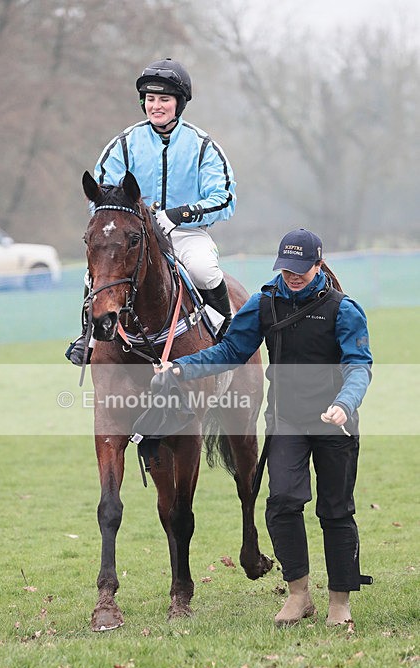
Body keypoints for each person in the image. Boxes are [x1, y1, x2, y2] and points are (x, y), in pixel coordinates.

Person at [156, 228, 373, 627]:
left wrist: (345, 403)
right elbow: (232, 350)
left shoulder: (344, 309)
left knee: (336, 511)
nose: (293, 276)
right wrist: (183, 368)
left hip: (334, 422)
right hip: (286, 418)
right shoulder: (265, 303)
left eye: (301, 269)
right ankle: (299, 594)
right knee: (282, 503)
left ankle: (339, 603)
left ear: (318, 265)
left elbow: (358, 366)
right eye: (287, 268)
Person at [66, 57, 236, 365]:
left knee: (203, 269)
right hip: (133, 231)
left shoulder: (203, 146)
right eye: (151, 99)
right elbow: (101, 195)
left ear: (179, 103)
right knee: (99, 273)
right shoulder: (123, 144)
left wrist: (178, 215)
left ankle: (227, 330)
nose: (156, 106)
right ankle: (88, 336)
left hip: (186, 231)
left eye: (164, 99)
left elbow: (223, 198)